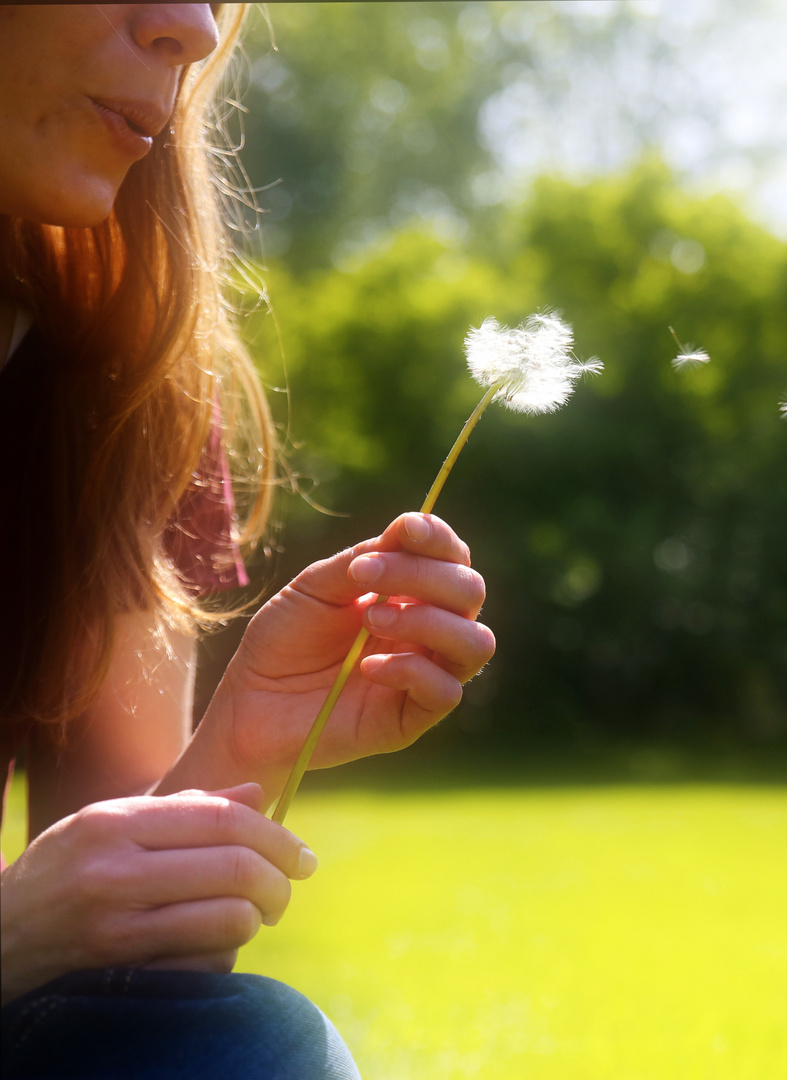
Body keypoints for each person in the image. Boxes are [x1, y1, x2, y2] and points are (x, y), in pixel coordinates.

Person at [0, 6, 498, 1075]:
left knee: (241, 1046)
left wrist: (250, 745)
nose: (189, 23)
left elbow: (121, 981)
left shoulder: (124, 395)